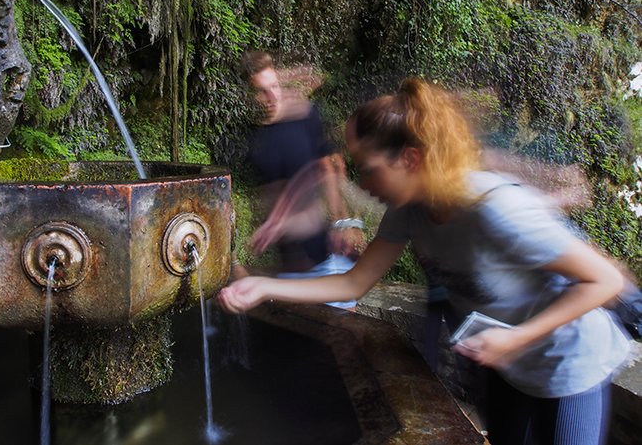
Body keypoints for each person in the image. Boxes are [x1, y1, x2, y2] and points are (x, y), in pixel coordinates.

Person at [218, 77, 631, 445]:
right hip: (512, 366)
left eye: (368, 168)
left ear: (411, 160)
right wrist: (263, 286)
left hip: (570, 362)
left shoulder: (493, 208)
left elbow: (604, 281)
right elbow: (353, 283)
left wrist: (515, 338)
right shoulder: (409, 210)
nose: (361, 183)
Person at [233, 51, 363, 308]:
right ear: (247, 96)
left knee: (347, 335)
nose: (272, 96)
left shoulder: (305, 115)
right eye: (262, 91)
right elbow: (272, 196)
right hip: (288, 265)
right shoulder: (256, 142)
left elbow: (331, 168)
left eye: (274, 86)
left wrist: (345, 222)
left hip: (324, 257)